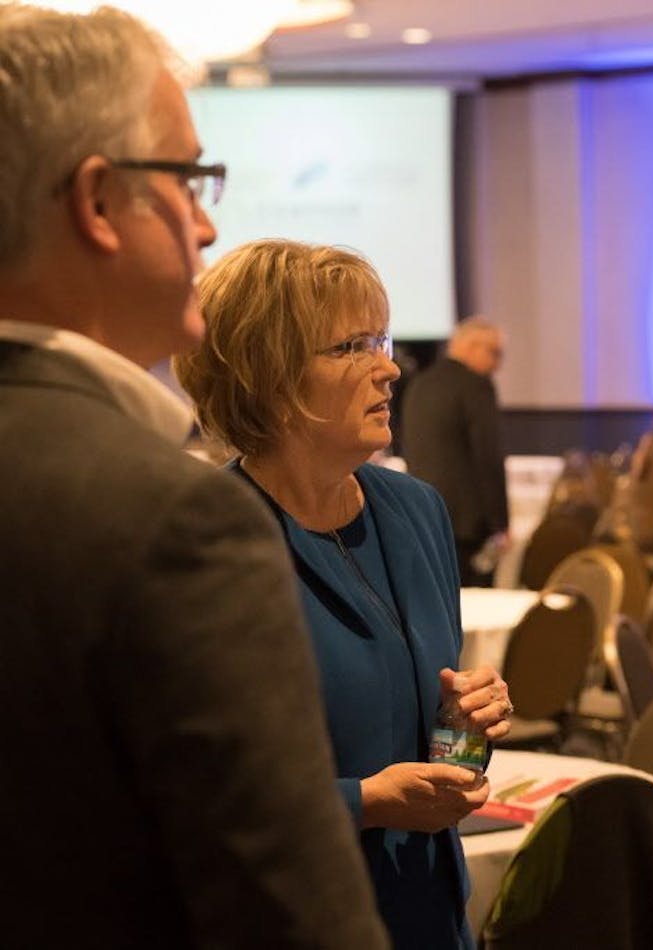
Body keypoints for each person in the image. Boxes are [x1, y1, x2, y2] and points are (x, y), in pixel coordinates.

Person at [0, 6, 387, 947]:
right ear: (96, 203)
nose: (208, 222)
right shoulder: (168, 516)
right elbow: (290, 917)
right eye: (186, 179)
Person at [175, 240, 515, 950]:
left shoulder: (417, 510)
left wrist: (469, 721)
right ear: (271, 376)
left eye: (382, 341)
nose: (389, 367)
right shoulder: (203, 541)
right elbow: (191, 799)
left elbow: (428, 726)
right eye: (352, 347)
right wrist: (363, 803)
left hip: (429, 916)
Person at [400, 316, 509, 586]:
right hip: (469, 527)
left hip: (424, 518)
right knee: (478, 607)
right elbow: (488, 458)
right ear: (471, 346)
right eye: (494, 353)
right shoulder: (476, 385)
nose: (498, 364)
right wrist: (500, 525)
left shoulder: (419, 383)